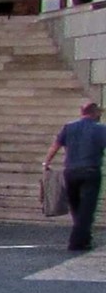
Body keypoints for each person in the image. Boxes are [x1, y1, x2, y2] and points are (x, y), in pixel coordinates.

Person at [46, 102, 106, 251]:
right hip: (90, 171)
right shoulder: (101, 129)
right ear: (96, 113)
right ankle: (77, 241)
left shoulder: (69, 127)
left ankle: (84, 238)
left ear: (82, 112)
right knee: (87, 207)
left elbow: (56, 145)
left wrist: (46, 162)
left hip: (71, 172)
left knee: (76, 207)